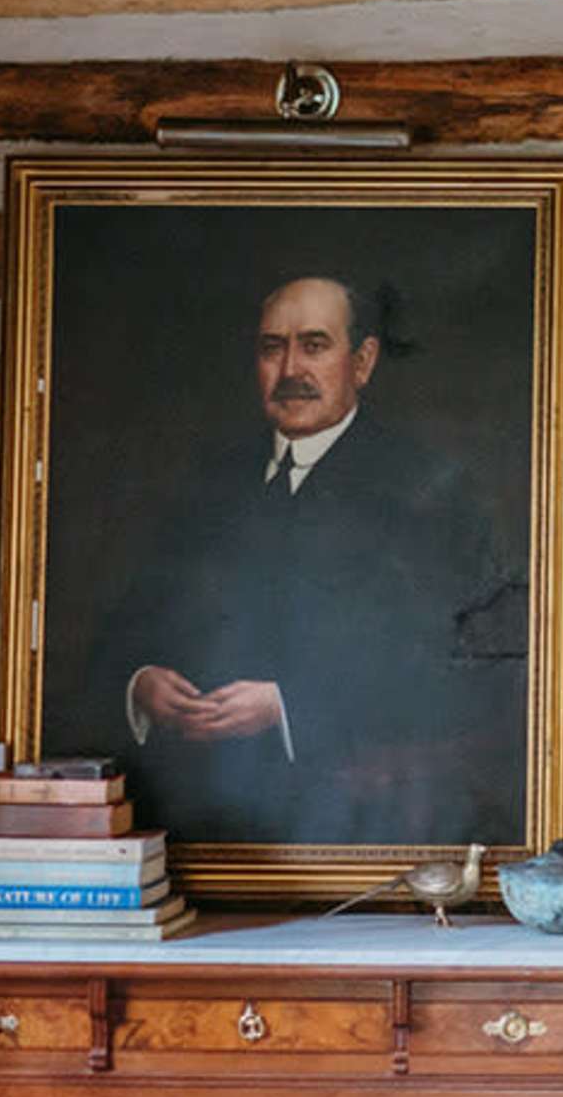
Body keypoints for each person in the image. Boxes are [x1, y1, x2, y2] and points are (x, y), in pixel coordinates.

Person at [65, 272, 526, 848]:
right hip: (197, 824)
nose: (290, 372)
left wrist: (287, 705)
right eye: (271, 349)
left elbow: (455, 671)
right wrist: (141, 685)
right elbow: (128, 628)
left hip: (358, 820)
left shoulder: (427, 490)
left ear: (362, 362)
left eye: (314, 346)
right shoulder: (210, 483)